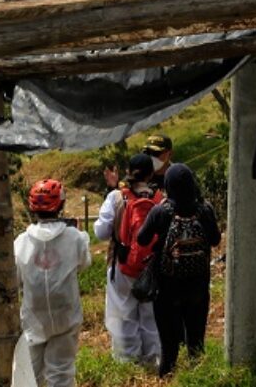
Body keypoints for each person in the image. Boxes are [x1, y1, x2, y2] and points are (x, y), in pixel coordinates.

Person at [137, 163, 221, 377]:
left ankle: (167, 378)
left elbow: (142, 238)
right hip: (198, 288)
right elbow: (215, 240)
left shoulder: (161, 211)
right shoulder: (204, 209)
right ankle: (198, 379)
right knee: (196, 345)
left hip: (167, 289)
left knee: (169, 347)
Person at [15, 179, 91, 387]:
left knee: (30, 371)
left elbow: (16, 279)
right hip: (66, 313)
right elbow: (84, 263)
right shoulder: (75, 237)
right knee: (62, 372)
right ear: (61, 205)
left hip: (34, 317)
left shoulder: (21, 242)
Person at [93, 154, 161, 367]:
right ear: (151, 173)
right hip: (152, 267)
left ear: (129, 171)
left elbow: (100, 233)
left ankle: (127, 360)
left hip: (122, 266)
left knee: (124, 315)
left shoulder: (116, 197)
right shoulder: (160, 198)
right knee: (150, 315)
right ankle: (152, 359)